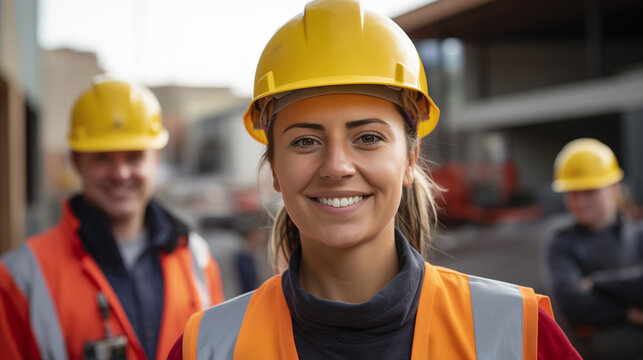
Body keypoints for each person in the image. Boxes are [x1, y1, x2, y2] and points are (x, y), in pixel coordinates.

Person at [170, 0, 580, 358]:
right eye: (306, 141)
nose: (337, 166)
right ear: (275, 168)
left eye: (368, 137)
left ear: (411, 158)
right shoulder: (206, 347)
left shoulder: (520, 332)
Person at [0, 79, 225, 360]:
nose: (120, 174)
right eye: (103, 158)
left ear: (155, 159)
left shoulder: (196, 257)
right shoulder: (21, 276)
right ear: (77, 161)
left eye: (133, 157)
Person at [546, 138, 643, 359]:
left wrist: (598, 283)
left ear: (614, 188)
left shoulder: (638, 236)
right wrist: (629, 312)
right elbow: (574, 305)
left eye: (589, 191)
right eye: (572, 192)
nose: (579, 201)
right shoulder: (561, 244)